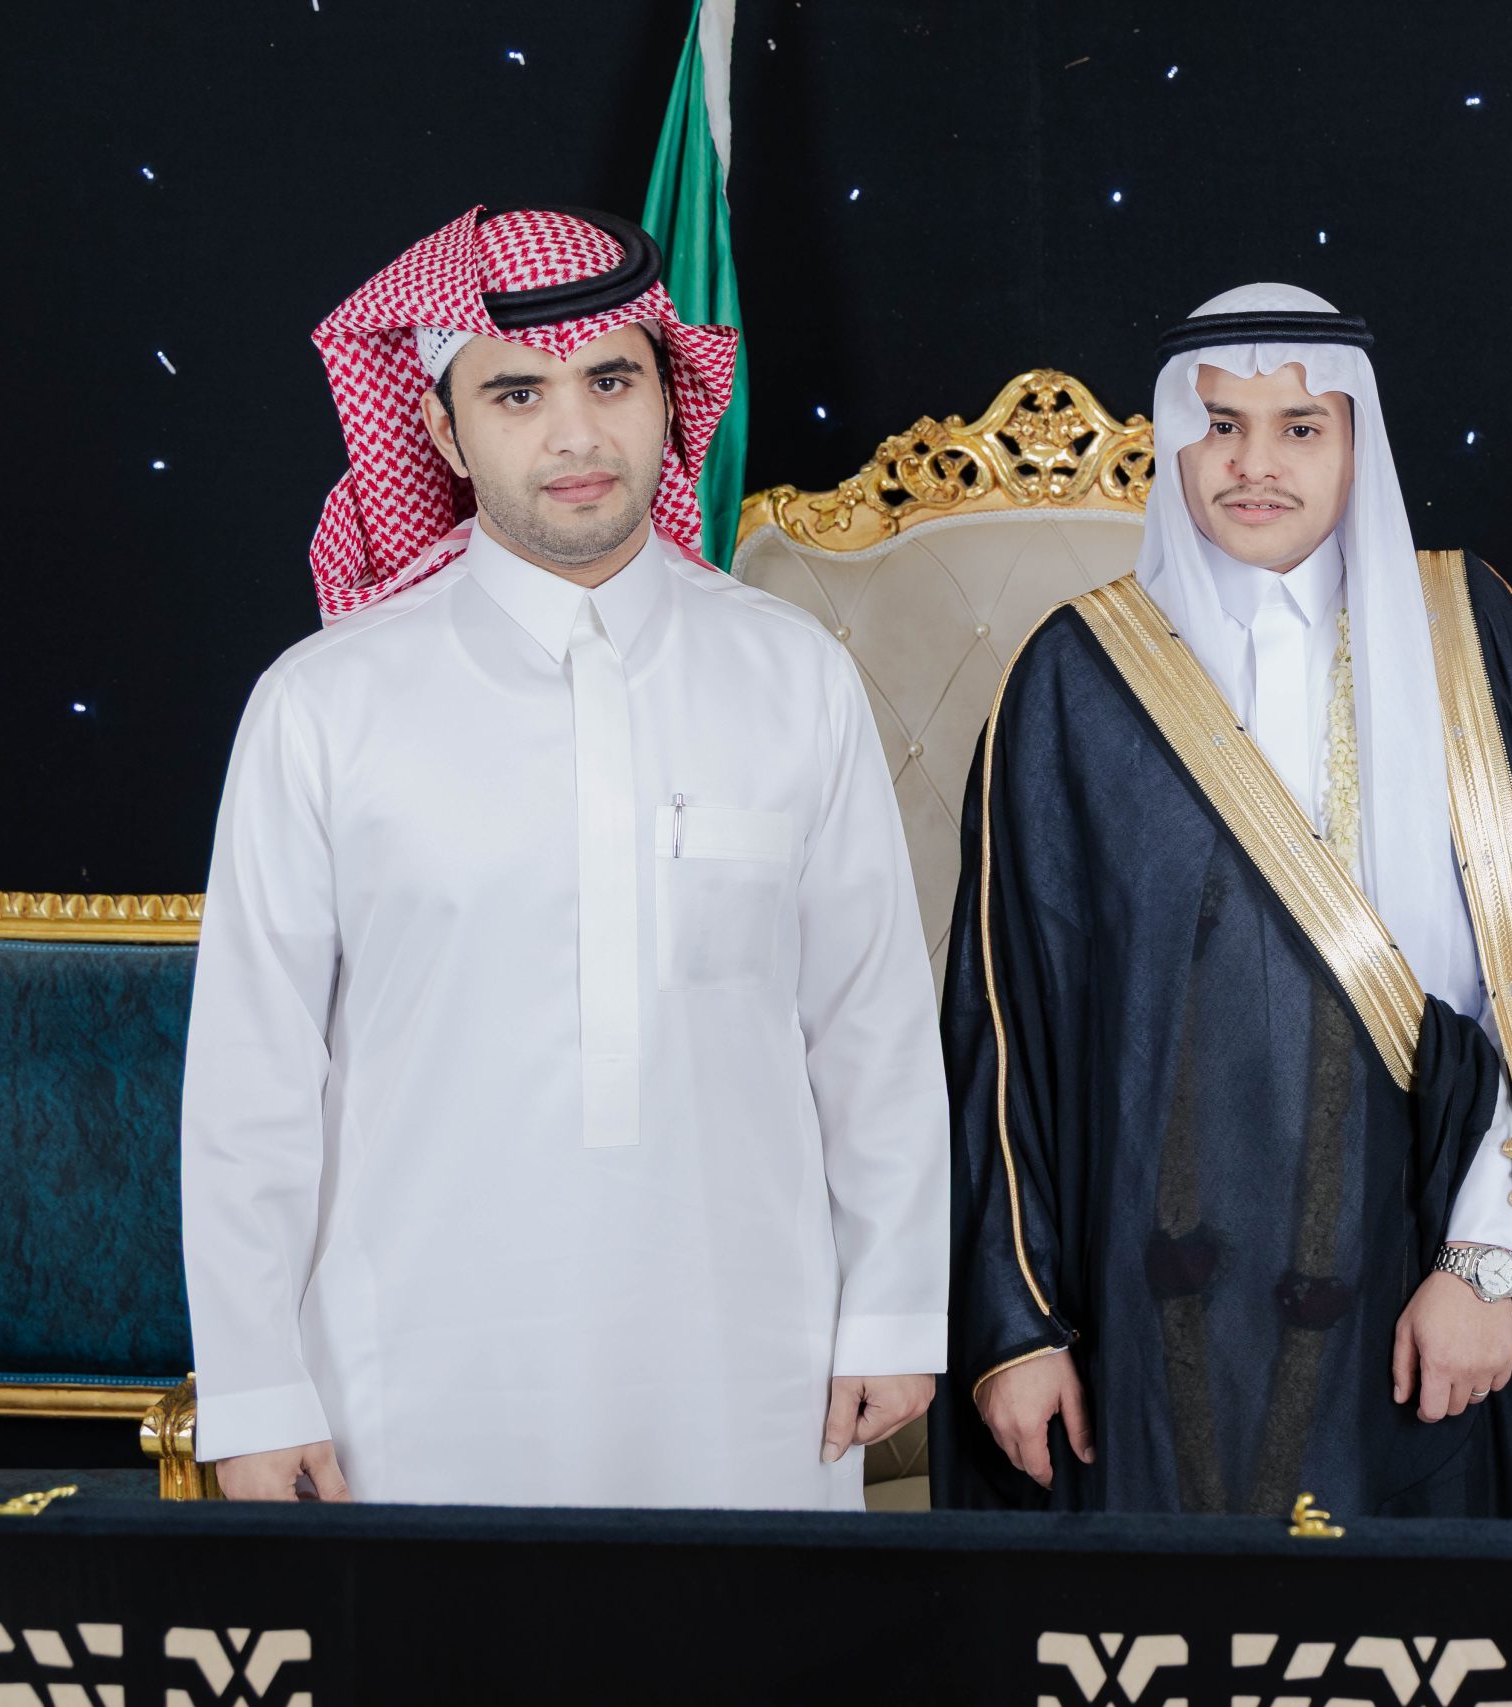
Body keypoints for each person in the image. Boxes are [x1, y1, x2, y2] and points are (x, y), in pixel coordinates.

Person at [180, 206, 948, 1507]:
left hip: (751, 1365)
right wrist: (256, 1388)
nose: (577, 433)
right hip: (408, 1378)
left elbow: (867, 1019)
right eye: (517, 393)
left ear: (669, 399)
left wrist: (891, 1306)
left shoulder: (791, 675)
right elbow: (253, 1080)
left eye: (610, 380)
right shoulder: (323, 704)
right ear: (442, 431)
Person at [930, 284, 1512, 1516]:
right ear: (1173, 445)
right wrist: (1016, 1327)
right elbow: (1003, 1023)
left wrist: (1482, 1262)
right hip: (1147, 1298)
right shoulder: (1074, 673)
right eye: (1220, 426)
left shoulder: (1470, 638)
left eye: (1300, 427)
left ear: (1358, 444)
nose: (1255, 464)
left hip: (1416, 1267)